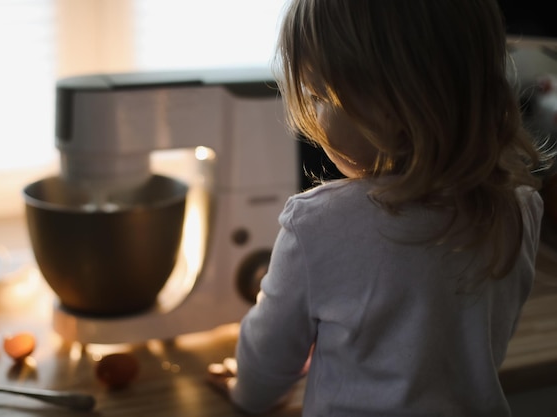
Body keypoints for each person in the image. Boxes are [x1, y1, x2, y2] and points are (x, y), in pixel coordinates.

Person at [207, 0, 552, 416]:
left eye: (319, 96)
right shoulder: (521, 207)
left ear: (389, 105)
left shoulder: (317, 223)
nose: (314, 121)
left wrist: (245, 393)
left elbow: (269, 356)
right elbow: (463, 335)